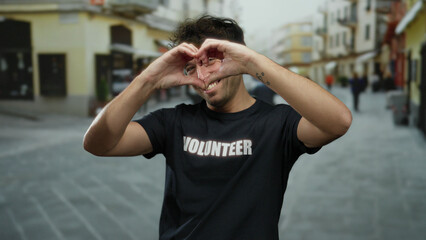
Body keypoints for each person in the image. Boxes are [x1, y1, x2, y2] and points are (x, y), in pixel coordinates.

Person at [83, 15, 352, 239]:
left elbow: (338, 121)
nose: (202, 76)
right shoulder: (174, 121)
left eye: (210, 60)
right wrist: (148, 80)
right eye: (191, 68)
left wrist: (252, 63)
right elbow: (97, 144)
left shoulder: (277, 123)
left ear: (236, 55)